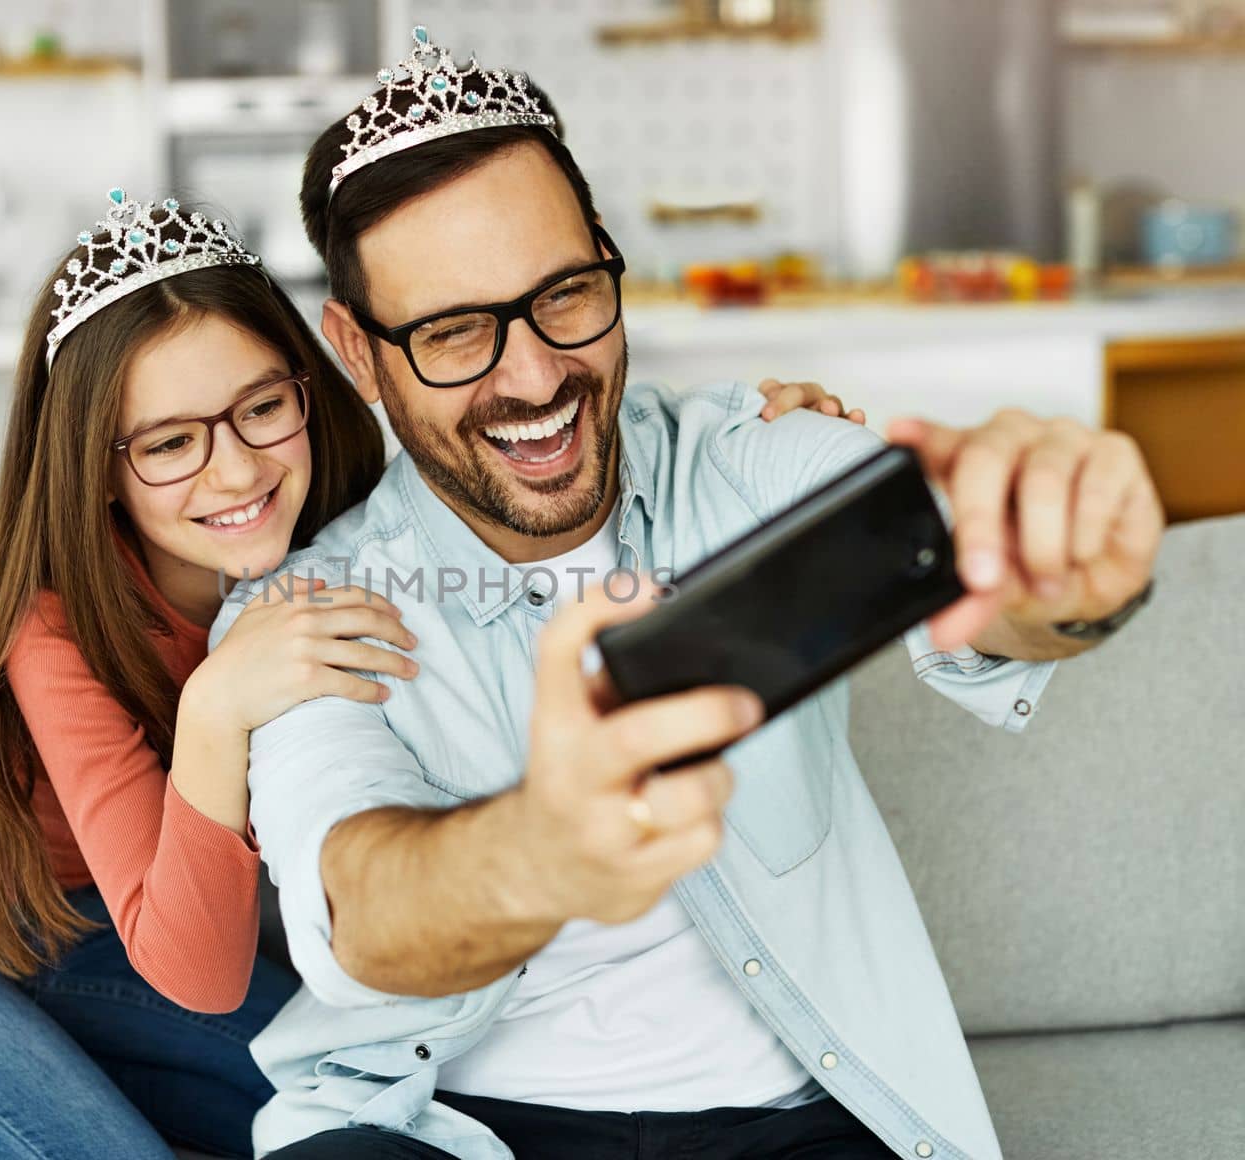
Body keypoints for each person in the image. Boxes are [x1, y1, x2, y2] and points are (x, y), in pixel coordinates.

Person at [0, 190, 846, 1160]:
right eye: (170, 440)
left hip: (68, 910)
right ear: (99, 468)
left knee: (323, 1099)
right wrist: (217, 703)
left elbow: (511, 442)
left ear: (310, 390)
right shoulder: (51, 634)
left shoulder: (335, 533)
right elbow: (192, 969)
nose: (235, 468)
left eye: (258, 408)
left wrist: (750, 428)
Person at [209, 28, 1165, 1160]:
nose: (532, 376)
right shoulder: (307, 607)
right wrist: (541, 849)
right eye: (454, 331)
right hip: (452, 1130)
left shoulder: (743, 460)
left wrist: (1064, 565)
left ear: (609, 261)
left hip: (796, 1126)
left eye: (563, 293)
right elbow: (359, 906)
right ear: (359, 356)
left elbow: (958, 553)